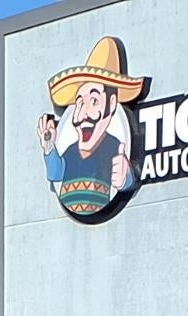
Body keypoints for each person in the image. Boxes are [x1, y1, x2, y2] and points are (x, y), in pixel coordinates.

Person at [39, 37, 145, 219]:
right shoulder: (71, 151)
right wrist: (49, 146)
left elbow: (122, 176)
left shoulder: (113, 148)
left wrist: (126, 178)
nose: (83, 114)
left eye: (94, 101)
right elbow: (56, 173)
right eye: (79, 103)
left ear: (112, 104)